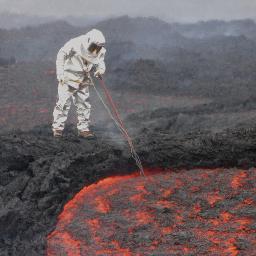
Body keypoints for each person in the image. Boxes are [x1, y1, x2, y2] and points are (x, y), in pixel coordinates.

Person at [52, 29, 106, 138]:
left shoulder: (97, 49)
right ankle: (57, 128)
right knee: (63, 103)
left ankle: (83, 129)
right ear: (89, 41)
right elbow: (61, 55)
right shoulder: (75, 43)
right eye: (95, 46)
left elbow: (100, 61)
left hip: (84, 78)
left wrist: (100, 70)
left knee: (84, 104)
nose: (96, 49)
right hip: (68, 77)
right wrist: (60, 74)